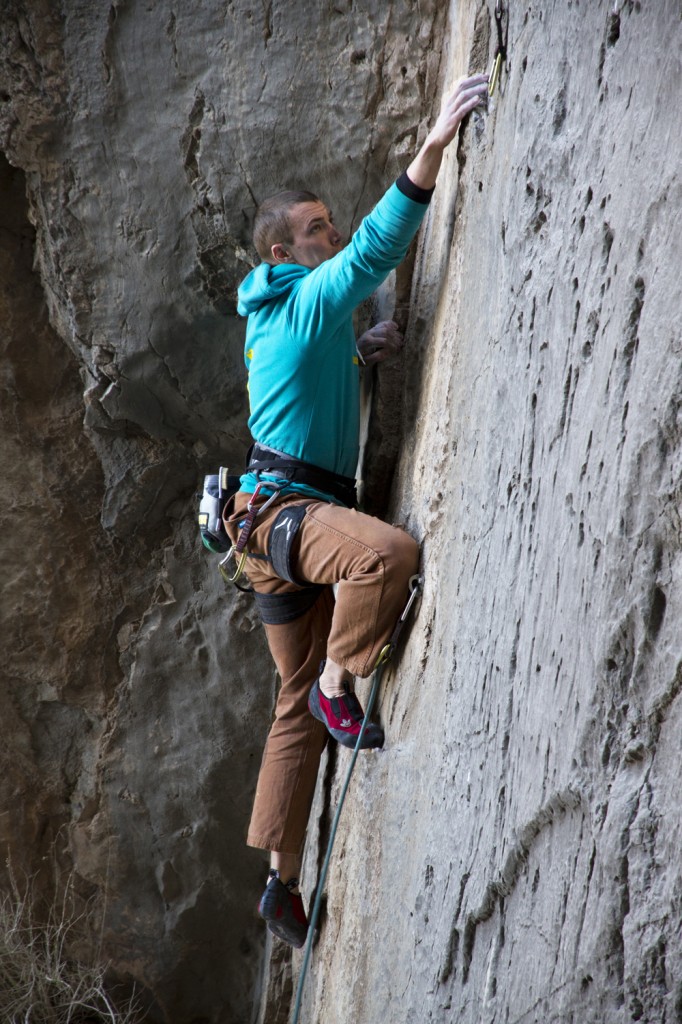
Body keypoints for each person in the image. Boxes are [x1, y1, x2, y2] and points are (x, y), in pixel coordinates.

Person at [224, 73, 489, 948]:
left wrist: (360, 356)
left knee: (290, 702)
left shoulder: (285, 320)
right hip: (289, 520)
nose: (329, 235)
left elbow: (312, 377)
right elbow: (377, 251)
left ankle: (281, 886)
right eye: (313, 231)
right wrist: (435, 145)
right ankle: (347, 679)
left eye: (327, 223)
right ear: (281, 255)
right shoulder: (302, 303)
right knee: (386, 558)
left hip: (264, 528)